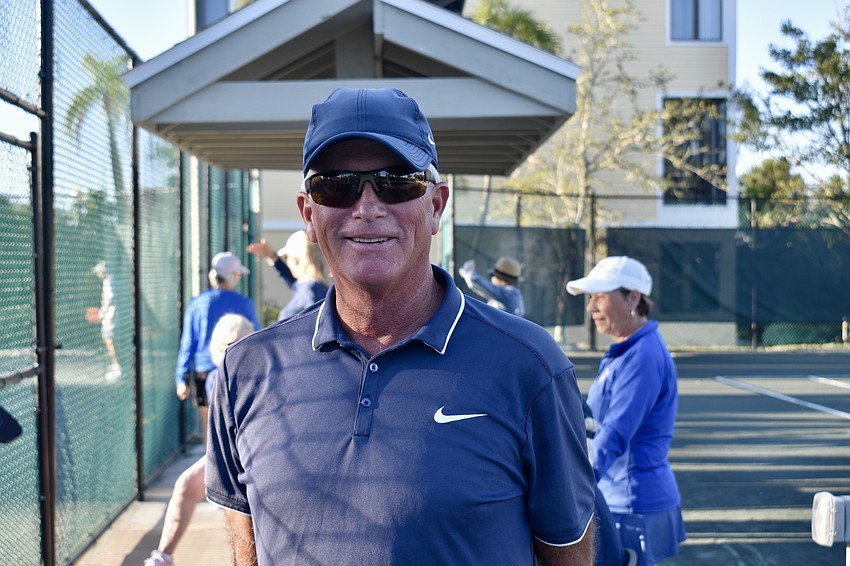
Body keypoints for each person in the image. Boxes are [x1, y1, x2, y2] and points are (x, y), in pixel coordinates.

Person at [206, 87, 595, 565]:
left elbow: (567, 552)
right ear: (310, 214)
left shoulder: (529, 366)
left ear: (436, 205)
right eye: (337, 184)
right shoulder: (245, 368)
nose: (367, 206)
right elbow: (247, 546)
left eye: (398, 182)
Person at [566, 256, 686, 565]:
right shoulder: (627, 349)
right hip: (620, 498)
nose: (591, 308)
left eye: (600, 297)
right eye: (591, 298)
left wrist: (572, 486)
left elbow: (615, 433)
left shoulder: (642, 355)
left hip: (631, 504)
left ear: (633, 298)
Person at [145, 314, 256, 566]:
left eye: (241, 343)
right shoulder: (216, 379)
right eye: (228, 346)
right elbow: (219, 438)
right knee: (185, 486)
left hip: (257, 461)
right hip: (229, 460)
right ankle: (162, 556)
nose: (234, 351)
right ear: (218, 351)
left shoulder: (262, 376)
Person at [174, 252, 260, 437]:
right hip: (238, 371)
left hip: (204, 373)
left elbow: (188, 342)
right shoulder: (245, 304)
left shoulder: (198, 303)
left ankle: (211, 465)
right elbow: (257, 338)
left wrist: (181, 378)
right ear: (234, 275)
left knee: (210, 430)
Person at [246, 229, 331, 321]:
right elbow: (292, 281)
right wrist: (272, 256)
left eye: (286, 257)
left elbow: (317, 326)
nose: (287, 262)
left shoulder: (310, 290)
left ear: (297, 261)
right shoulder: (310, 288)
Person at [458, 256, 525, 317]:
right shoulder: (512, 294)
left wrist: (468, 270)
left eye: (492, 275)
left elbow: (476, 281)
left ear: (500, 278)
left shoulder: (510, 294)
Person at [89, 260, 122, 382]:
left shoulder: (110, 282)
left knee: (110, 340)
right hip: (113, 317)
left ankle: (117, 366)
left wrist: (101, 314)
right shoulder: (112, 281)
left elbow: (109, 300)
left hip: (112, 318)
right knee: (110, 340)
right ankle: (116, 365)